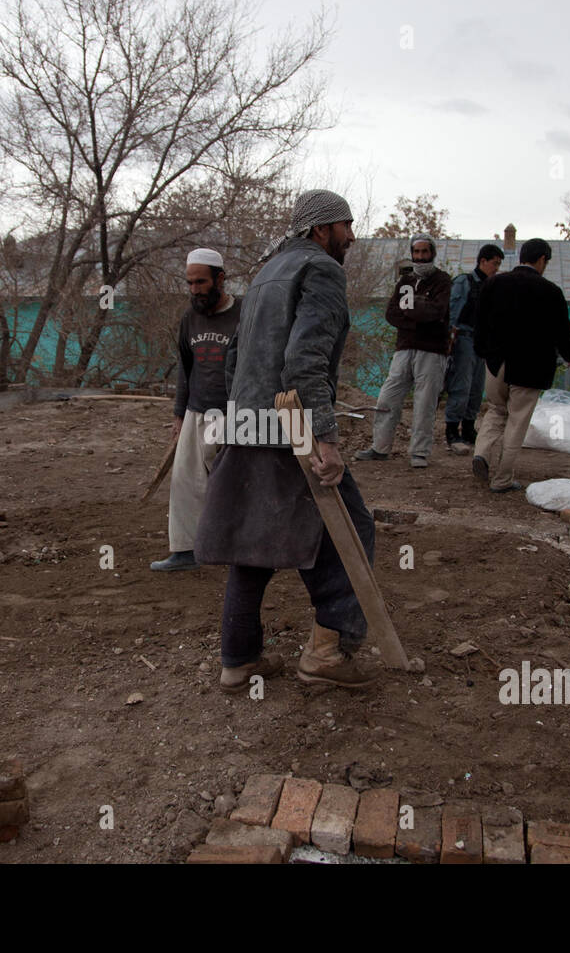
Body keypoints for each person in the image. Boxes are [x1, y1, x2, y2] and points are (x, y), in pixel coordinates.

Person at [195, 189, 377, 693]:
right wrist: (325, 439)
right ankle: (326, 653)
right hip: (290, 430)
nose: (351, 236)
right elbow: (304, 361)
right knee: (350, 531)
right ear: (321, 230)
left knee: (253, 543)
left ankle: (239, 660)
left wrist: (240, 416)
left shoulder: (267, 272)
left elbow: (234, 360)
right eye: (346, 226)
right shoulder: (320, 270)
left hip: (248, 424)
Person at [150, 248, 241, 571]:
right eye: (189, 283)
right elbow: (185, 369)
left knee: (232, 484)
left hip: (234, 414)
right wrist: (178, 416)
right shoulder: (190, 318)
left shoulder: (244, 314)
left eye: (200, 282)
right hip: (196, 410)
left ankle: (239, 552)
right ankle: (186, 551)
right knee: (185, 483)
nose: (194, 290)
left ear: (219, 278)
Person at [471, 237, 570, 493]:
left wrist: (483, 352)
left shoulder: (494, 283)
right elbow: (562, 329)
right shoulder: (550, 291)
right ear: (541, 259)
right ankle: (502, 479)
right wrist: (569, 354)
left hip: (496, 363)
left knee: (496, 410)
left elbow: (479, 321)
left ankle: (482, 454)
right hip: (530, 367)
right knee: (517, 421)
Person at [353, 234, 452, 469]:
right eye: (416, 252)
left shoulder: (443, 281)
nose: (420, 257)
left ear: (432, 253)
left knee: (425, 402)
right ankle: (380, 447)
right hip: (404, 348)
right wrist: (417, 317)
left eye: (424, 252)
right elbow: (391, 313)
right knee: (388, 397)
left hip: (432, 350)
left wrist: (411, 313)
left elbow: (437, 312)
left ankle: (419, 452)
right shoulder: (405, 282)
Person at [443, 243, 504, 453]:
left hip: (482, 342)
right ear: (483, 261)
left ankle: (468, 428)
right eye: (494, 263)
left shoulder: (493, 286)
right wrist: (450, 340)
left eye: (498, 264)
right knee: (462, 386)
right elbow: (453, 312)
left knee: (477, 388)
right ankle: (452, 430)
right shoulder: (465, 282)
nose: (496, 268)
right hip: (464, 339)